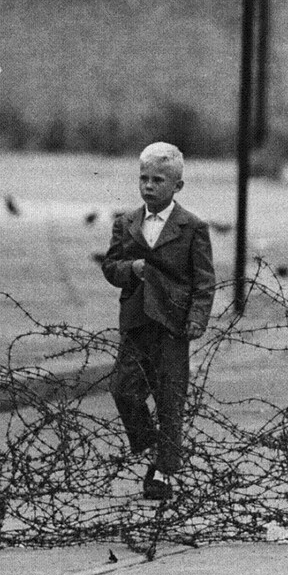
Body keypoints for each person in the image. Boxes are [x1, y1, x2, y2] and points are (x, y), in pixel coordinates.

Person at [102, 142, 216, 500]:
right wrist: (131, 269)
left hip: (172, 324)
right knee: (123, 389)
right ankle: (151, 444)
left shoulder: (192, 226)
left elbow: (204, 280)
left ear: (177, 186)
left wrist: (197, 318)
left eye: (158, 180)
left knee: (169, 398)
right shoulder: (126, 223)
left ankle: (163, 473)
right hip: (137, 320)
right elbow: (111, 267)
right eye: (144, 178)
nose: (149, 186)